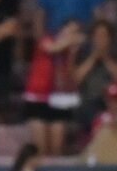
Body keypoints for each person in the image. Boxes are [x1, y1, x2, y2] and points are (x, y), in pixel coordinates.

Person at [24, 19, 84, 156]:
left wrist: (72, 54)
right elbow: (52, 48)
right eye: (70, 30)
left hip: (58, 99)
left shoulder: (69, 52)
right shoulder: (47, 40)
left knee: (56, 148)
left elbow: (71, 77)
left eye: (75, 32)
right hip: (38, 98)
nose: (72, 34)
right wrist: (72, 40)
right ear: (61, 29)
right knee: (41, 148)